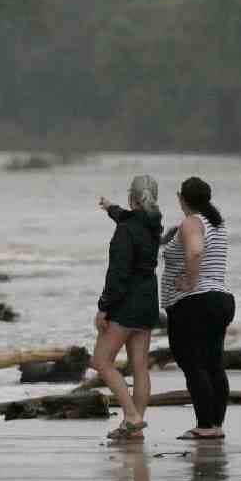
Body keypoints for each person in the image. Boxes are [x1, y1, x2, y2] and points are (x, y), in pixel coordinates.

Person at [161, 177, 235, 440]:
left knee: (193, 364)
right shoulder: (217, 224)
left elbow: (194, 252)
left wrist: (190, 282)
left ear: (181, 198)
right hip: (220, 300)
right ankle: (215, 425)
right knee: (213, 364)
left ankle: (204, 425)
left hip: (194, 303)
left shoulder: (191, 222)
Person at [94, 175, 162, 441]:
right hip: (148, 300)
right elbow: (128, 217)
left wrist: (103, 307)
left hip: (126, 303)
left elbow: (118, 274)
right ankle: (135, 428)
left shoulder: (126, 229)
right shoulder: (153, 224)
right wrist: (110, 208)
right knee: (140, 366)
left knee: (101, 361)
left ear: (132, 197)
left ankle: (132, 416)